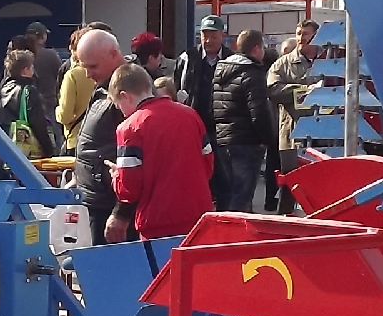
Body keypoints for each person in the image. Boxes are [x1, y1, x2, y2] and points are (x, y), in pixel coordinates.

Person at [106, 63, 214, 241]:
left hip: (158, 222)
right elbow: (207, 165)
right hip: (198, 216)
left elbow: (129, 189)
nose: (122, 112)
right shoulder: (190, 115)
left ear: (124, 96)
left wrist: (117, 176)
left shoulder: (129, 128)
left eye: (119, 105)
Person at [69, 30, 130, 242]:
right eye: (84, 67)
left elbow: (137, 157)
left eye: (93, 67)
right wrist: (79, 175)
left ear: (114, 54)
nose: (88, 75)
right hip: (96, 199)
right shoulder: (103, 88)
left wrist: (121, 213)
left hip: (109, 204)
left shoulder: (129, 92)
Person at [212, 30, 271, 213]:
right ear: (256, 48)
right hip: (246, 141)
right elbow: (259, 111)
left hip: (223, 139)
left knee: (227, 194)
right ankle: (237, 230)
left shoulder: (221, 69)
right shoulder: (253, 72)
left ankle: (223, 228)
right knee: (242, 198)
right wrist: (266, 139)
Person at [267, 28, 315, 215]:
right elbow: (272, 90)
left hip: (326, 136)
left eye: (306, 33)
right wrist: (306, 91)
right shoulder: (283, 64)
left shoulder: (329, 62)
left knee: (322, 183)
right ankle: (285, 220)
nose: (301, 38)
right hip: (292, 134)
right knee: (291, 183)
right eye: (299, 33)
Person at [0, 45, 56, 163]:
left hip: (6, 149)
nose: (33, 70)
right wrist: (49, 151)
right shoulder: (29, 91)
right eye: (31, 67)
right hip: (27, 154)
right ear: (25, 70)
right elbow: (38, 124)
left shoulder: (3, 89)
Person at [176, 15, 227, 111]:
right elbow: (176, 87)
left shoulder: (230, 60)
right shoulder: (187, 58)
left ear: (222, 36)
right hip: (193, 114)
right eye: (205, 36)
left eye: (214, 37)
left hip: (222, 116)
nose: (208, 41)